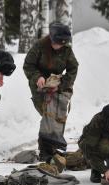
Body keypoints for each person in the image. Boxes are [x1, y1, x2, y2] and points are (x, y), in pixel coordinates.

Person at [23, 22, 79, 162]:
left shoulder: (66, 49)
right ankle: (46, 151)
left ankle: (53, 148)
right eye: (57, 43)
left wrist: (61, 84)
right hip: (40, 86)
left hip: (57, 84)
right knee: (48, 114)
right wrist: (38, 77)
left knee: (59, 114)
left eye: (62, 44)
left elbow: (73, 68)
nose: (59, 46)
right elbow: (28, 65)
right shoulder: (39, 46)